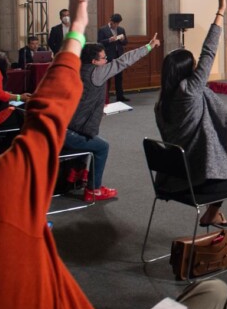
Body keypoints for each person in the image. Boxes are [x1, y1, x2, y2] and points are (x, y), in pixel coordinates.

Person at [0, 0, 227, 309]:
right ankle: (94, 185)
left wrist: (106, 39)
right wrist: (77, 27)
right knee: (214, 293)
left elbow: (50, 103)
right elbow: (49, 107)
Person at [156, 0, 227, 237]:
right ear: (187, 72)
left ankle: (213, 212)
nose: (198, 68)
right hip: (197, 183)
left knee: (225, 160)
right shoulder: (189, 92)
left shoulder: (162, 103)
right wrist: (221, 11)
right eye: (193, 66)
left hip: (173, 180)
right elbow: (208, 52)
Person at [65, 35, 160, 202]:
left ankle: (77, 172)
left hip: (67, 125)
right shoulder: (97, 73)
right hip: (73, 130)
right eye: (103, 58)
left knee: (90, 137)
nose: (107, 60)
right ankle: (93, 190)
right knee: (101, 147)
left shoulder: (76, 70)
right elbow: (123, 61)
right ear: (94, 61)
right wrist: (149, 47)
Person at [98, 13, 130, 102]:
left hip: (119, 56)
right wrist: (109, 40)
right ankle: (105, 98)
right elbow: (99, 42)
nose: (115, 25)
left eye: (117, 23)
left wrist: (123, 40)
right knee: (107, 78)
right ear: (110, 21)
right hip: (108, 56)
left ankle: (120, 96)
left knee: (119, 77)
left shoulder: (121, 29)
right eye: (114, 23)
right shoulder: (103, 30)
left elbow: (125, 42)